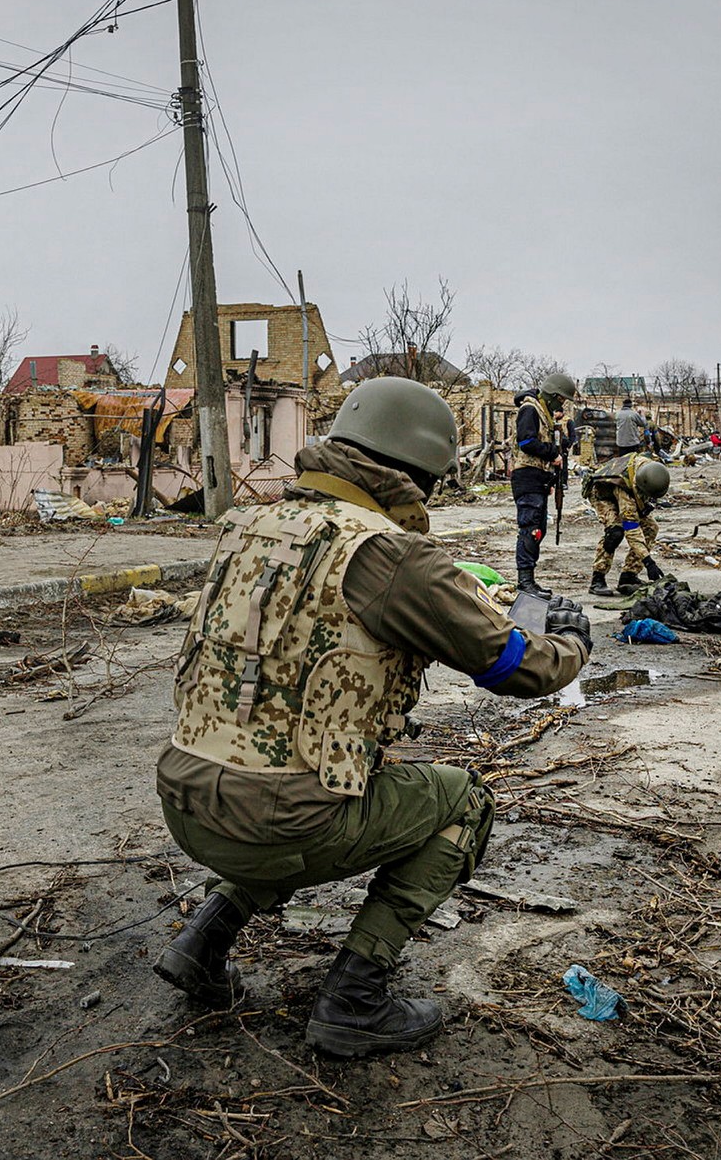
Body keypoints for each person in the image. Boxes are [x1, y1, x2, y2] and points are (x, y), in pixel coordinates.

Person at [155, 377, 591, 1057]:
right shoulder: (390, 553)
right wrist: (573, 643)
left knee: (281, 769)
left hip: (185, 802)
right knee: (464, 802)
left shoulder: (251, 522)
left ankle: (202, 938)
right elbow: (519, 669)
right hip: (273, 821)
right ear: (421, 472)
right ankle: (354, 997)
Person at [510, 372, 576, 596]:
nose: (563, 404)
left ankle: (530, 580)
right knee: (530, 529)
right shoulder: (530, 409)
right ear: (554, 395)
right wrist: (552, 454)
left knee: (539, 529)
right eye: (562, 399)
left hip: (537, 477)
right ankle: (525, 581)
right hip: (527, 476)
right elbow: (526, 441)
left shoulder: (543, 412)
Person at [586, 451, 671, 597]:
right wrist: (648, 561)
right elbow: (631, 528)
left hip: (630, 490)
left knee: (651, 528)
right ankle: (597, 578)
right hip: (603, 494)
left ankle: (629, 576)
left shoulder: (653, 468)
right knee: (615, 532)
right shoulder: (625, 488)